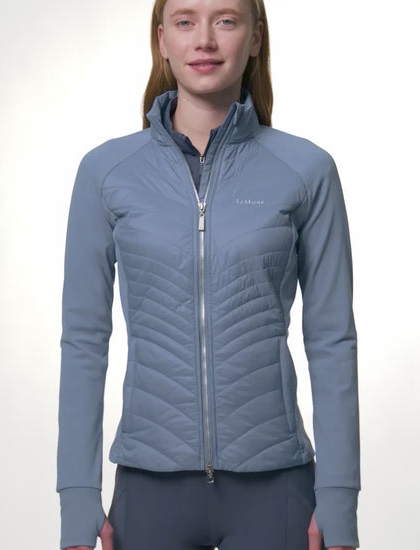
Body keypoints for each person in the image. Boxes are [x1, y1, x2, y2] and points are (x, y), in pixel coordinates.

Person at [56, 0, 361, 549]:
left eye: (225, 20)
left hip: (276, 486)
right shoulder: (106, 172)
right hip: (149, 488)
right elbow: (83, 340)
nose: (204, 40)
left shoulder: (306, 169)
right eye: (185, 21)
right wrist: (78, 494)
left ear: (255, 37)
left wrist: (339, 497)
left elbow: (332, 339)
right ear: (162, 40)